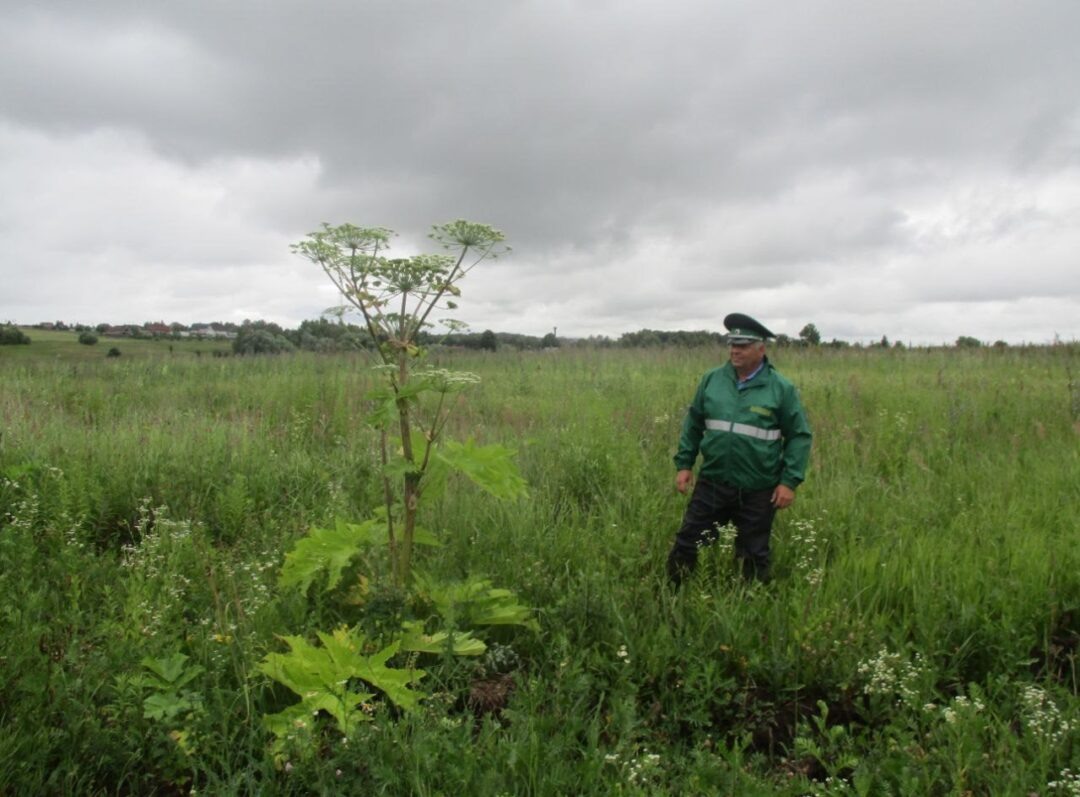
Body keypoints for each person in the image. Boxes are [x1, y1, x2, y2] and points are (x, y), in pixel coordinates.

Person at [666, 313, 812, 585]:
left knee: (753, 554)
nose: (735, 350)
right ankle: (674, 595)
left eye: (743, 345)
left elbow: (799, 436)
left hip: (759, 488)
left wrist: (789, 481)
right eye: (732, 344)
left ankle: (752, 605)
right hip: (713, 482)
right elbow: (694, 423)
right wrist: (684, 464)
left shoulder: (781, 388)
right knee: (688, 543)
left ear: (761, 348)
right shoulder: (712, 380)